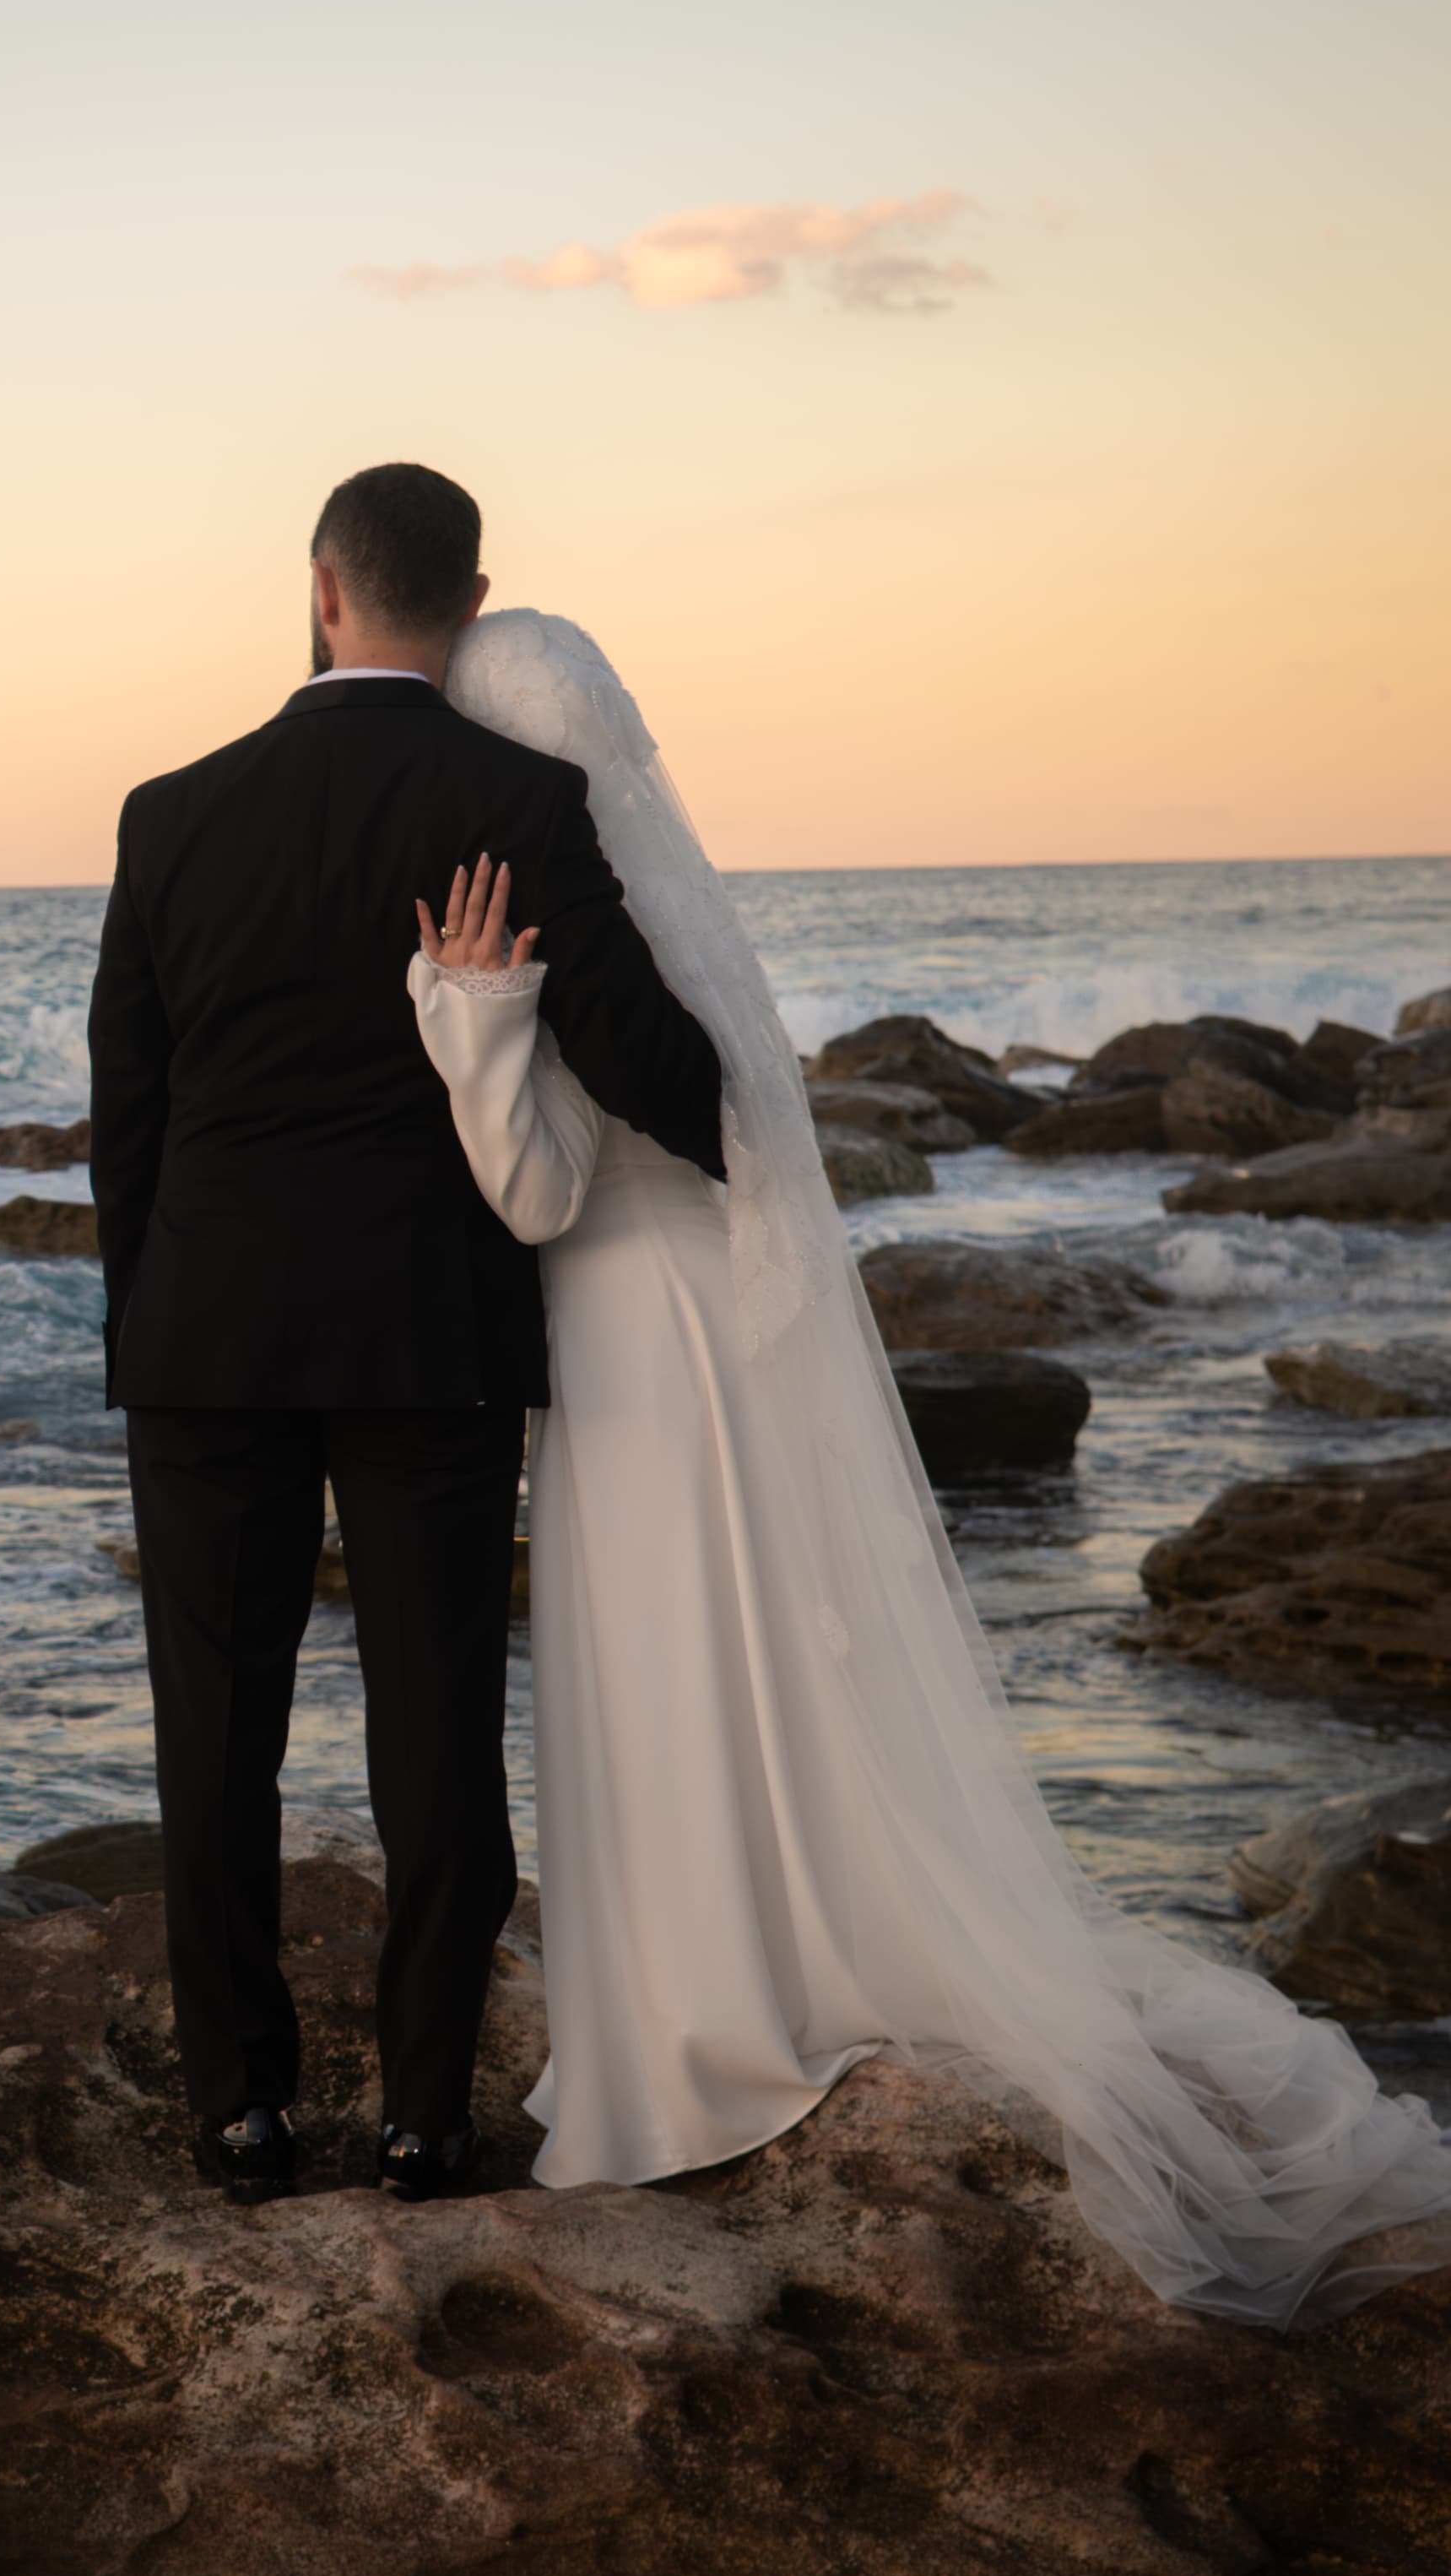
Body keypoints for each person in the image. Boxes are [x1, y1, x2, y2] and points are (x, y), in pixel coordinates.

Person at [405, 605, 1451, 2327]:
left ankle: (685, 2024)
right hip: (710, 1333)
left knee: (661, 1658)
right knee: (740, 1651)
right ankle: (768, 1952)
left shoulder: (544, 927)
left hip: (618, 1338)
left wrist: (470, 1005)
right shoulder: (666, 925)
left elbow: (533, 1194)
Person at [87, 465, 723, 2206]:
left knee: (214, 1738)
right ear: (474, 596)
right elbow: (628, 1038)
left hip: (205, 1335)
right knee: (434, 1732)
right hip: (430, 1332)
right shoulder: (509, 792)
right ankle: (426, 2118)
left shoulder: (171, 812)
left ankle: (238, 2112)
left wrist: (146, 1323)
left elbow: (126, 1113)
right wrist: (758, 1157)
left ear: (322, 588)